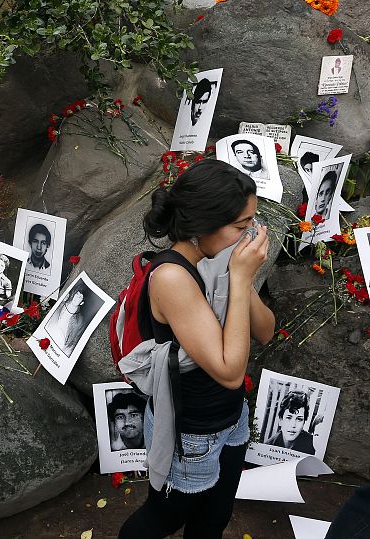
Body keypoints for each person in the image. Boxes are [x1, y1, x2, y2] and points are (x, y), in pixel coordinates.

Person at [118, 159, 275, 538]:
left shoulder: (218, 257)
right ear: (205, 224)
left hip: (231, 419)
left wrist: (242, 277)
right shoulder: (171, 276)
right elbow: (230, 370)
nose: (250, 233)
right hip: (192, 432)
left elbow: (266, 331)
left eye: (252, 222)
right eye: (242, 225)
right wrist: (239, 278)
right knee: (160, 520)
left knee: (213, 519)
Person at [46, 281, 88, 356]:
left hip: (60, 344)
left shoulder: (80, 320)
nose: (77, 297)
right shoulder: (64, 302)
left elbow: (74, 342)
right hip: (49, 332)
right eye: (77, 294)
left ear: (82, 302)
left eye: (80, 297)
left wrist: (64, 353)